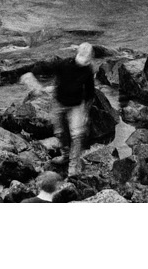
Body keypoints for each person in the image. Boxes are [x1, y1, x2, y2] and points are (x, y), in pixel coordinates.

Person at [21, 43, 104, 175]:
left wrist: (86, 111)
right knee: (59, 131)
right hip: (60, 101)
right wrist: (31, 75)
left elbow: (89, 92)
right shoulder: (64, 65)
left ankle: (73, 165)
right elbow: (46, 68)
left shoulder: (88, 71)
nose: (83, 63)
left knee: (77, 135)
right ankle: (65, 155)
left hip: (77, 104)